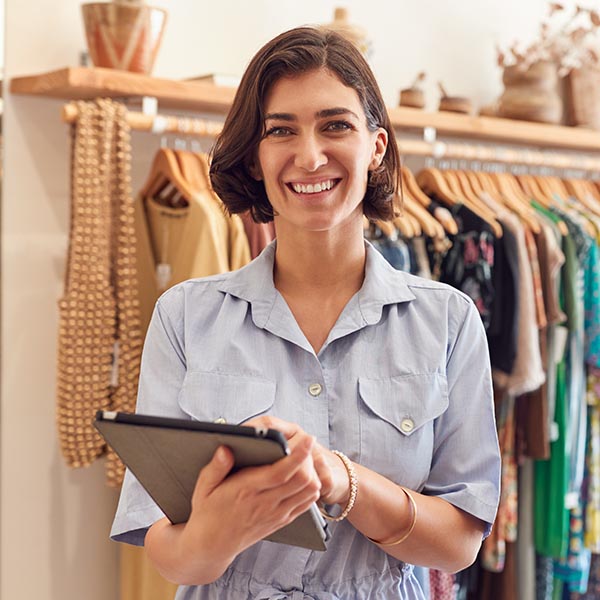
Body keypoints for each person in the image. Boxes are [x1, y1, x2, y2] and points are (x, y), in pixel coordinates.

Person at [111, 26, 501, 599]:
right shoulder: (185, 317)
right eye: (280, 131)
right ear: (255, 157)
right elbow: (168, 549)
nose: (309, 155)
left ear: (377, 147)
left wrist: (340, 479)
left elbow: (460, 542)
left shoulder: (448, 322)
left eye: (335, 125)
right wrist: (221, 530)